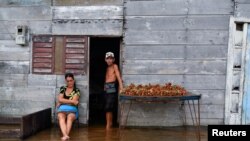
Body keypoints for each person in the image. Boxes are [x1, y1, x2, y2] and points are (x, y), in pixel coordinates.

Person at [56, 72, 80, 140]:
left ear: (73, 80)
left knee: (70, 118)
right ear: (65, 81)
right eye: (68, 81)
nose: (69, 82)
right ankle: (66, 136)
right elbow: (60, 99)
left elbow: (62, 100)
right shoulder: (63, 88)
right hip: (62, 110)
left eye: (71, 80)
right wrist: (72, 101)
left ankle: (65, 135)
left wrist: (62, 102)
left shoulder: (76, 90)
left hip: (72, 110)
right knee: (61, 117)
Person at [104, 52, 123, 130]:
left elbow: (118, 76)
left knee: (108, 107)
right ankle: (110, 123)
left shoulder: (115, 66)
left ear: (114, 59)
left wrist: (121, 87)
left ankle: (108, 125)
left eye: (111, 58)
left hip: (112, 87)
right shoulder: (107, 68)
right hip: (107, 88)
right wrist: (104, 87)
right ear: (105, 60)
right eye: (108, 58)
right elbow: (106, 78)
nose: (109, 60)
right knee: (108, 107)